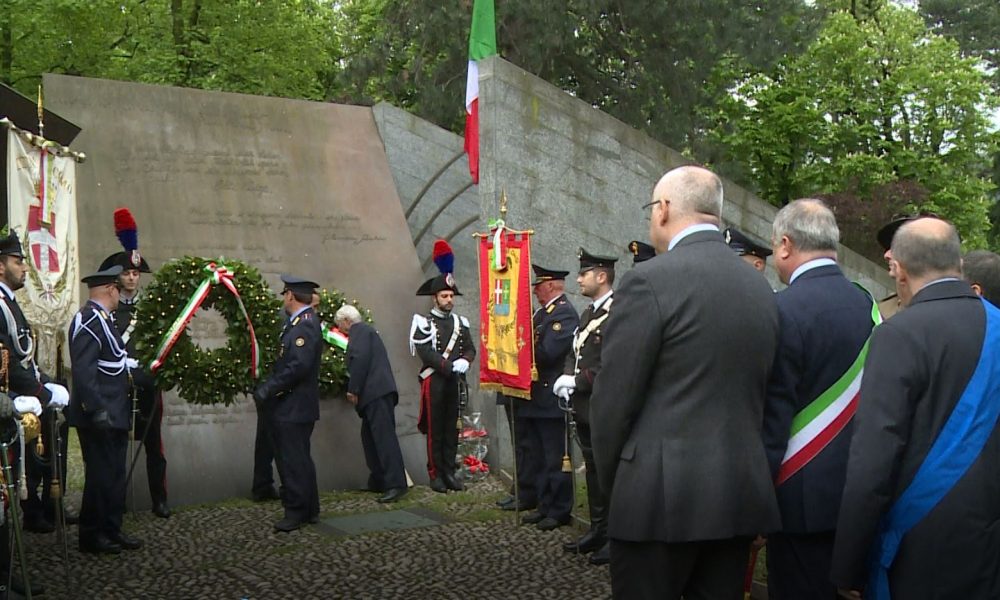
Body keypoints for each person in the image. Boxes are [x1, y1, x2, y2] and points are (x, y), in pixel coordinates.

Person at [591, 165, 780, 599]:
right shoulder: (759, 288)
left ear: (664, 210)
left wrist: (617, 484)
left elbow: (612, 404)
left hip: (655, 502)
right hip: (735, 498)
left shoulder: (647, 281)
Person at [832, 217, 1000, 599]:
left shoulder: (898, 335)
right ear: (958, 263)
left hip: (913, 550)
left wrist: (848, 566)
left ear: (899, 271)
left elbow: (872, 462)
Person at [760, 199, 878, 599]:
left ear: (786, 245)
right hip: (857, 491)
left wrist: (756, 500)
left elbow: (772, 416)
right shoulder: (867, 303)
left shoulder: (781, 308)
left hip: (796, 495)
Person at [66, 264, 142, 554]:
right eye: (117, 291)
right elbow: (84, 373)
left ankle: (111, 528)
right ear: (110, 289)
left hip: (115, 411)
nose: (119, 296)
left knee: (114, 475)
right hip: (100, 414)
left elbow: (116, 362)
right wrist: (97, 409)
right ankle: (91, 534)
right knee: (99, 477)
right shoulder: (88, 322)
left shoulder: (103, 319)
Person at [100, 208, 170, 518]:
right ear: (118, 276)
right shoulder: (108, 311)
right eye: (127, 273)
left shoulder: (152, 311)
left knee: (154, 445)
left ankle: (160, 498)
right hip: (117, 385)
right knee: (114, 445)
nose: (131, 277)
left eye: (135, 273)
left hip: (146, 384)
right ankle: (113, 502)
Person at [0, 230, 71, 537]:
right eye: (18, 261)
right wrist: (40, 392)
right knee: (9, 489)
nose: (25, 268)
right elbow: (9, 361)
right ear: (1, 266)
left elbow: (23, 353)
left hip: (23, 393)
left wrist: (46, 384)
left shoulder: (10, 303)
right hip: (9, 404)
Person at [554, 249, 616, 563]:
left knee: (608, 476)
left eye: (584, 273)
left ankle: (614, 538)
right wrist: (567, 377)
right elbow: (574, 351)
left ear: (602, 276)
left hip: (603, 407)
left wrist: (576, 382)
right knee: (593, 471)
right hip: (584, 407)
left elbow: (611, 364)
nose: (578, 279)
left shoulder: (617, 312)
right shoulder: (589, 313)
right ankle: (598, 529)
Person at [253, 275, 322, 532]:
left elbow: (297, 366)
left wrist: (268, 390)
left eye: (284, 294)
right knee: (301, 458)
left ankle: (295, 511)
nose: (283, 298)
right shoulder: (301, 323)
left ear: (290, 295)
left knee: (292, 461)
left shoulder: (303, 326)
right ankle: (310, 508)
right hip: (298, 406)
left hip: (293, 406)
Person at [514, 265, 578, 532]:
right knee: (538, 456)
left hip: (550, 397)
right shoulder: (542, 313)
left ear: (551, 286)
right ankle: (544, 504)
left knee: (555, 458)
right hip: (534, 397)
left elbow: (549, 353)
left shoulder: (563, 313)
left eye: (538, 286)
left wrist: (520, 343)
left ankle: (560, 509)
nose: (535, 291)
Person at [410, 240, 476, 493]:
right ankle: (435, 473)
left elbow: (470, 348)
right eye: (444, 296)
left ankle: (449, 471)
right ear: (435, 298)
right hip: (435, 381)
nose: (449, 300)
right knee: (435, 429)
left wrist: (466, 361)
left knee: (452, 427)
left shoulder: (461, 322)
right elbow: (425, 352)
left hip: (455, 382)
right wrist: (449, 366)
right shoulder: (423, 323)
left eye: (451, 296)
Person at [336, 304, 408, 503]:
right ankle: (379, 479)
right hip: (376, 394)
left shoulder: (360, 331)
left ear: (347, 321)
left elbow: (359, 359)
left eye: (340, 325)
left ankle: (396, 484)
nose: (340, 330)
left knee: (384, 439)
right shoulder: (367, 332)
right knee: (370, 438)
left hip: (375, 393)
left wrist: (353, 388)